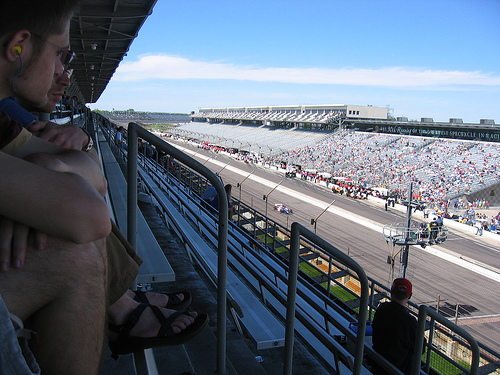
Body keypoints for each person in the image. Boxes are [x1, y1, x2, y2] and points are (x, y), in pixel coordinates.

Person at [3, 52, 208, 358]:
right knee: (76, 242)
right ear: (19, 45)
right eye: (58, 55)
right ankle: (122, 310)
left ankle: (123, 303)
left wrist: (73, 147)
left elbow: (93, 178)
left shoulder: (5, 119)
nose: (65, 73)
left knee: (73, 206)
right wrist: (49, 174)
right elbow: (91, 211)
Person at [371, 278, 420, 375]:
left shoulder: (382, 308)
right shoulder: (409, 321)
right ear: (409, 296)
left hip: (377, 364)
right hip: (397, 369)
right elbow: (419, 349)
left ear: (391, 292)